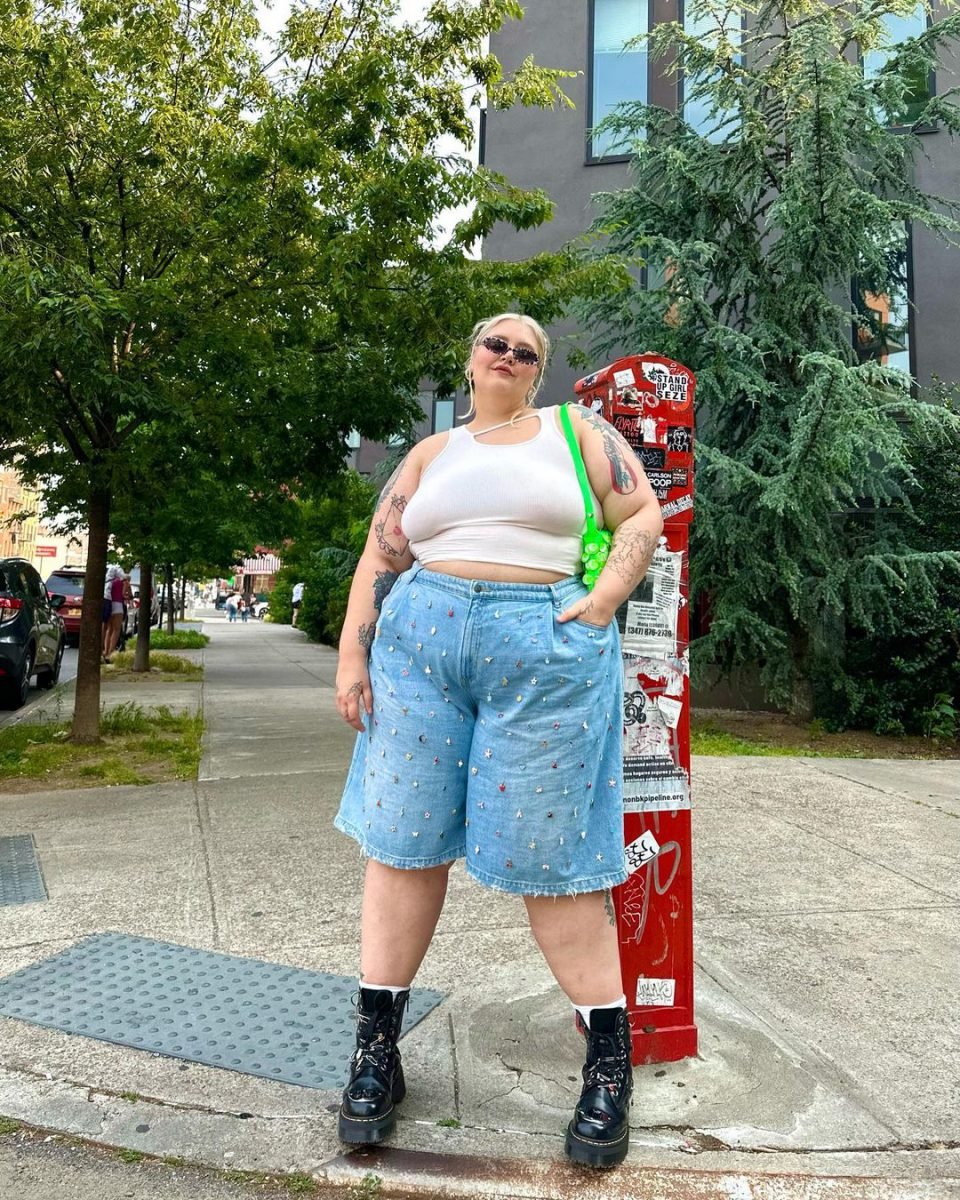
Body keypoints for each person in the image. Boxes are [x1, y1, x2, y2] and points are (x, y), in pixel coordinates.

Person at [333, 314, 663, 1167]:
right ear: (471, 363)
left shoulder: (576, 433)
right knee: (402, 845)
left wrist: (599, 604)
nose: (510, 356)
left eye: (528, 351)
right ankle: (377, 1052)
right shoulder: (430, 456)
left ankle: (608, 1062)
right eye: (497, 345)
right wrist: (351, 657)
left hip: (542, 649)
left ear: (539, 372)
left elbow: (643, 519)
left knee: (553, 858)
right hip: (420, 649)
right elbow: (380, 556)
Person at [102, 565, 126, 662]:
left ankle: (105, 650)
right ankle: (111, 652)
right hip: (118, 605)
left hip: (109, 603)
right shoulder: (123, 581)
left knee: (109, 629)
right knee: (116, 630)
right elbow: (124, 594)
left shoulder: (109, 581)